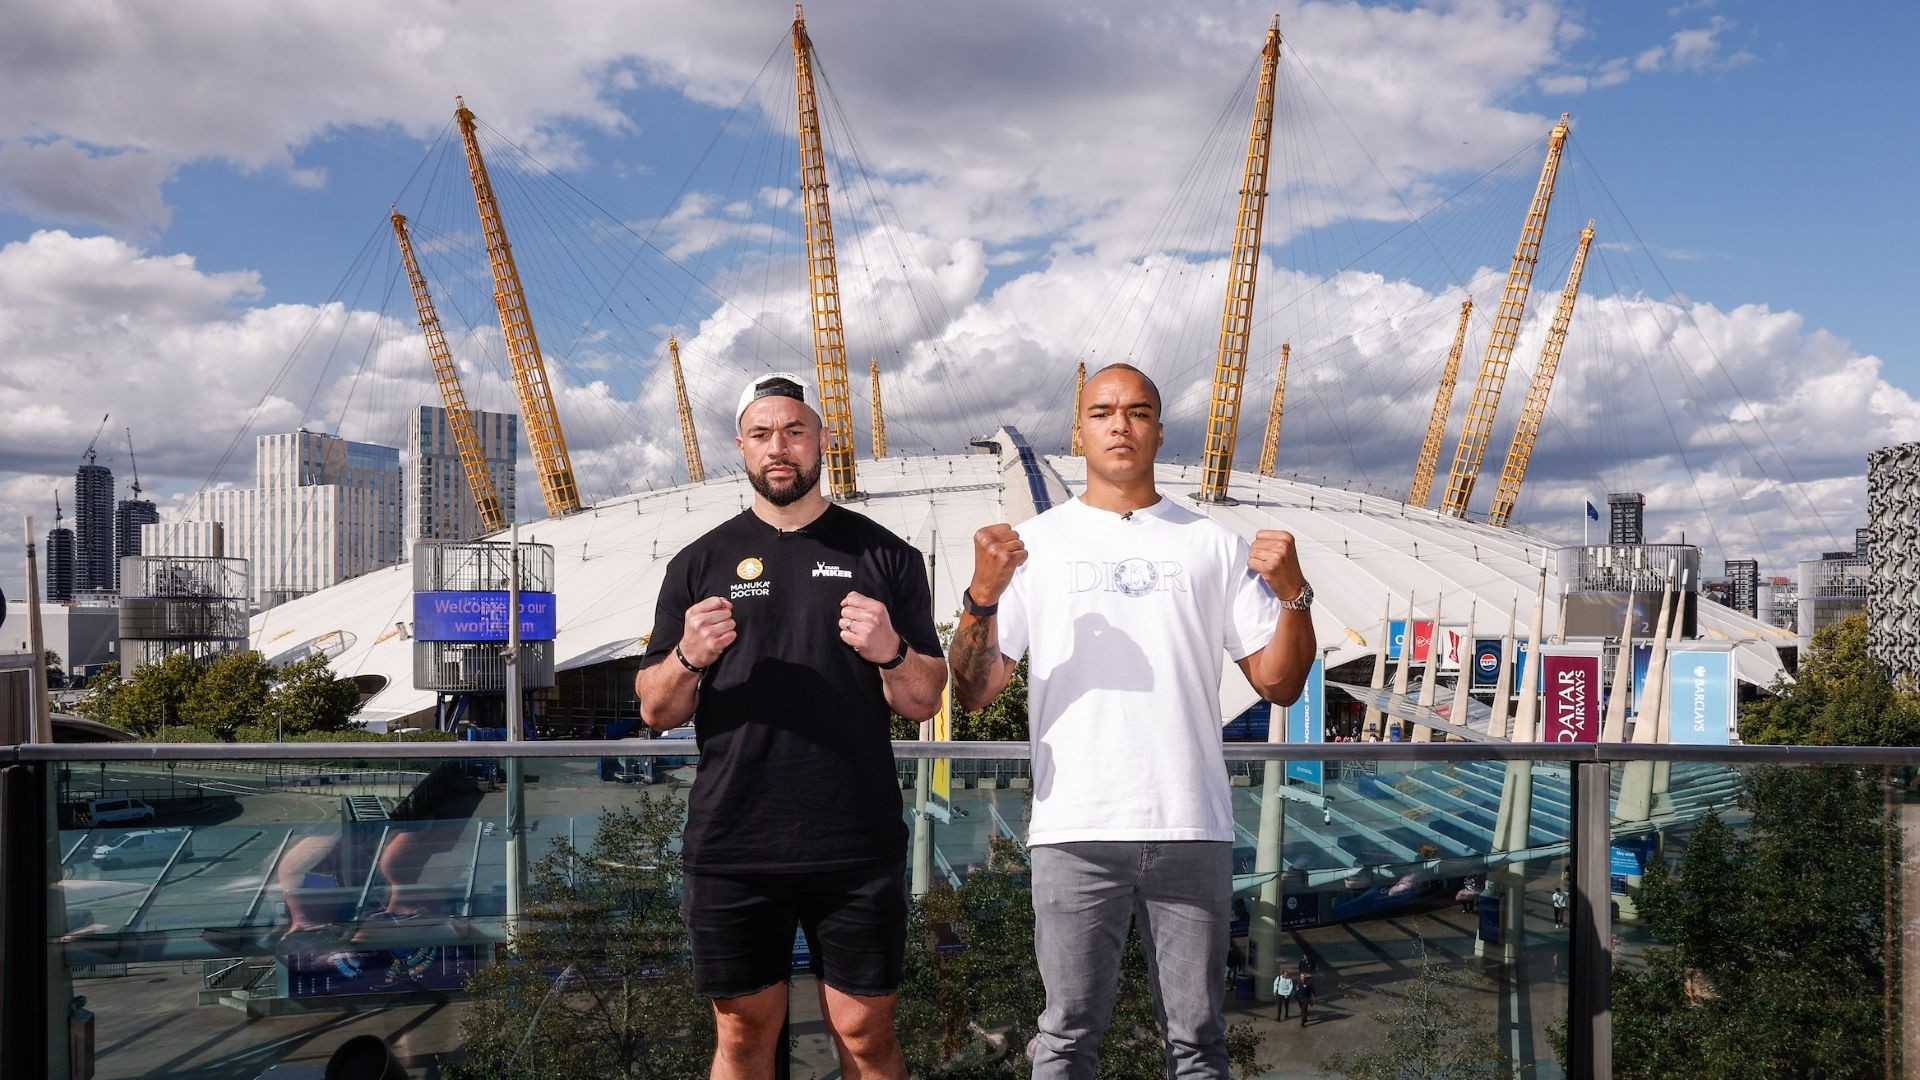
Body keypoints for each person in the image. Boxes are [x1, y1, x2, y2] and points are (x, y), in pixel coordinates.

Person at [951, 363, 1317, 1079]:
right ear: (1078, 431)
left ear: (1156, 429)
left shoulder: (1211, 543)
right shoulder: (1035, 544)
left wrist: (1296, 593)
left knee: (1200, 1042)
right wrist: (982, 596)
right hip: (1074, 828)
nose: (1120, 424)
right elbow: (974, 690)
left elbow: (1280, 681)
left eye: (1138, 411)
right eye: (1103, 411)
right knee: (1065, 1037)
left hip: (1190, 824)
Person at [636, 371, 948, 1080]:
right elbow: (656, 709)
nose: (780, 447)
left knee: (865, 1033)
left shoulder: (886, 555)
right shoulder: (698, 563)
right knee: (743, 1036)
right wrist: (689, 654)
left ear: (822, 441)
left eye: (795, 431)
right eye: (762, 433)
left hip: (855, 841)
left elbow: (925, 698)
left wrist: (890, 650)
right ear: (741, 447)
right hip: (733, 842)